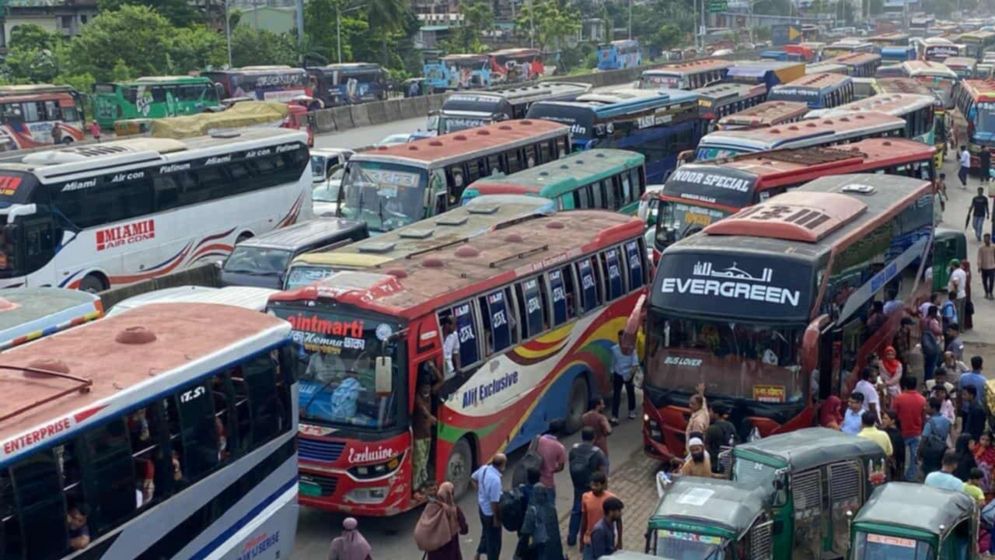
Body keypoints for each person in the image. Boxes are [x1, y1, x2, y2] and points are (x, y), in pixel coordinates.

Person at [567, 427, 609, 547]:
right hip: (592, 486)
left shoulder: (574, 449)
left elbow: (571, 464)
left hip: (577, 484)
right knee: (589, 511)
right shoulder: (598, 453)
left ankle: (571, 537)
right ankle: (588, 537)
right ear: (594, 438)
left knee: (576, 510)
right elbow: (603, 473)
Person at [415, 482, 468, 560]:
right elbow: (464, 529)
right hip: (451, 551)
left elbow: (423, 526)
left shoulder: (431, 507)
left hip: (434, 553)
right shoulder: (454, 510)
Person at [471, 454, 506, 560]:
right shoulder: (495, 480)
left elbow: (472, 478)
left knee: (486, 533)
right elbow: (494, 503)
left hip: (482, 509)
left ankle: (477, 554)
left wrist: (480, 492)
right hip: (490, 514)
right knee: (494, 542)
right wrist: (496, 519)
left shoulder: (484, 469)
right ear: (502, 465)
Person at [519, 482, 563, 560]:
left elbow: (525, 533)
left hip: (542, 547)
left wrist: (519, 553)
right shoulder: (552, 508)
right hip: (555, 548)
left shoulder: (532, 511)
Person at [893, 376, 926, 481]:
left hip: (901, 432)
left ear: (905, 385)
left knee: (900, 456)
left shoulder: (899, 398)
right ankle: (910, 478)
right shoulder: (922, 399)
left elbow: (894, 415)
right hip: (916, 432)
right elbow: (923, 417)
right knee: (914, 457)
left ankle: (899, 475)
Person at [580, 472, 616, 558]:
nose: (593, 488)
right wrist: (581, 539)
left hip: (605, 540)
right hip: (589, 540)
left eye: (596, 485)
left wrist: (619, 541)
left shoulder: (611, 499)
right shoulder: (585, 497)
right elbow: (584, 519)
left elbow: (618, 520)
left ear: (603, 485)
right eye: (592, 485)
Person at [413, 378, 439, 494]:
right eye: (424, 386)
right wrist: (430, 417)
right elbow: (422, 409)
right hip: (419, 436)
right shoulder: (418, 398)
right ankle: (416, 486)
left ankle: (423, 481)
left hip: (427, 435)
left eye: (428, 386)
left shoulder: (429, 395)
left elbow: (441, 381)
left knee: (424, 460)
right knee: (418, 461)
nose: (426, 388)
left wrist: (434, 368)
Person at [610, 330, 639, 423]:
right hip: (618, 373)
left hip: (628, 373)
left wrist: (630, 375)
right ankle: (614, 416)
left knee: (630, 393)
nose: (620, 340)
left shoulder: (632, 350)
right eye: (619, 339)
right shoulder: (614, 349)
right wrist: (611, 373)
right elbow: (613, 362)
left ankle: (632, 411)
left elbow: (635, 364)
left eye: (622, 338)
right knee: (616, 395)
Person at [921, 397, 953, 478]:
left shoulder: (930, 422)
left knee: (928, 473)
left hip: (930, 451)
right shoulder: (946, 420)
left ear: (933, 408)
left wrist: (919, 453)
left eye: (927, 406)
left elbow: (923, 439)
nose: (925, 408)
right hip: (942, 450)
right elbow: (950, 434)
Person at [535, 420, 566, 497]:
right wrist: (551, 469)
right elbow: (560, 467)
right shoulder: (560, 447)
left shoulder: (538, 439)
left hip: (534, 479)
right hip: (548, 482)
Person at [705, 403, 738, 474]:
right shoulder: (731, 426)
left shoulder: (711, 429)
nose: (709, 414)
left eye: (710, 411)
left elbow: (706, 449)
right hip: (728, 464)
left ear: (716, 414)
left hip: (714, 466)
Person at [881, 410, 906, 480]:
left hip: (893, 464)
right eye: (883, 418)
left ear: (893, 421)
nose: (883, 420)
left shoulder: (895, 435)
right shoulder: (885, 431)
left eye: (885, 418)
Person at [948, 259, 968, 325]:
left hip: (957, 295)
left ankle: (957, 327)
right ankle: (962, 328)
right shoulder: (963, 272)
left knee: (957, 312)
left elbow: (956, 282)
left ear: (953, 266)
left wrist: (954, 293)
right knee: (962, 312)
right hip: (963, 293)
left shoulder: (955, 273)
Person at [980, 233, 995, 300]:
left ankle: (990, 292)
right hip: (984, 267)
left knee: (991, 280)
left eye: (987, 238)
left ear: (990, 239)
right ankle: (986, 292)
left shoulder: (993, 247)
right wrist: (979, 265)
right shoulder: (981, 248)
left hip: (992, 267)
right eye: (985, 239)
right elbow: (979, 257)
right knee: (984, 281)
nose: (986, 240)